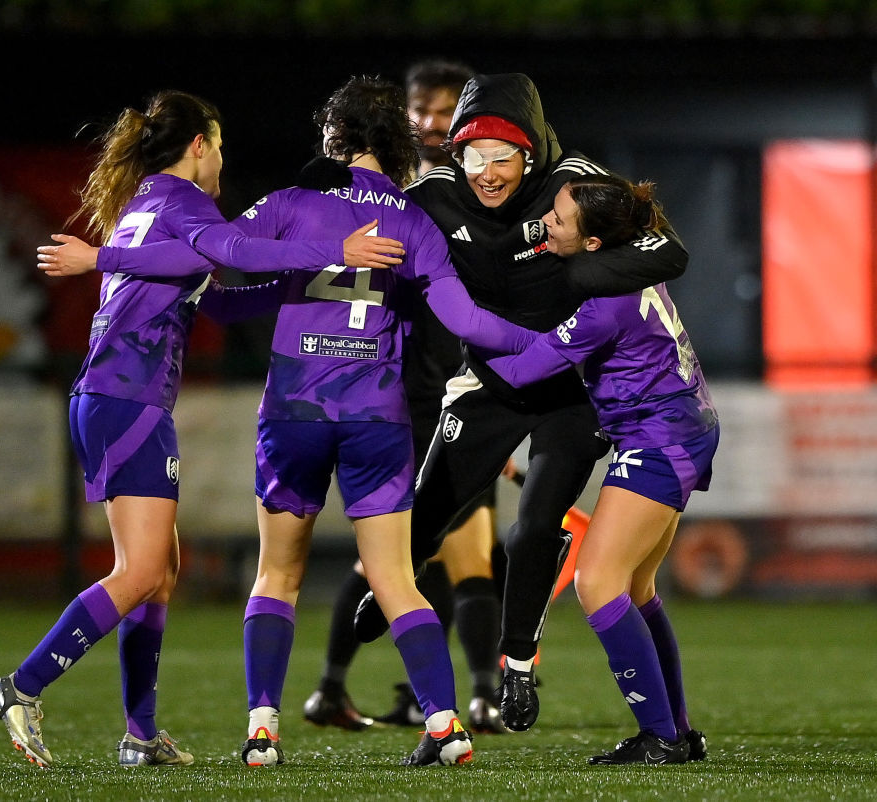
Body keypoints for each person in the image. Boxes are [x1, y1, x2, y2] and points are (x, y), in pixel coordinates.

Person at [0, 89, 404, 769]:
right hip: (129, 400)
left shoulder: (143, 209)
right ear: (200, 145)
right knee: (141, 570)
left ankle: (141, 734)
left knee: (160, 572)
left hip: (111, 397)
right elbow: (234, 247)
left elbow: (215, 294)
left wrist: (303, 280)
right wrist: (337, 245)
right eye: (221, 145)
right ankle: (22, 686)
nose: (222, 160)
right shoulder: (184, 205)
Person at [352, 73, 690, 736]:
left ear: (532, 154)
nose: (485, 171)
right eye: (472, 154)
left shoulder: (575, 181)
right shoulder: (434, 194)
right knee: (424, 519)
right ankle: (385, 588)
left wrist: (587, 279)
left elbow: (666, 248)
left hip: (573, 388)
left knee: (535, 528)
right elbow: (352, 236)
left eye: (501, 154)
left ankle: (518, 662)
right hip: (492, 381)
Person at [302, 58, 512, 736]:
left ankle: (430, 693)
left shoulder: (462, 190)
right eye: (417, 109)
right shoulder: (400, 198)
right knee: (411, 556)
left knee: (446, 555)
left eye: (441, 111)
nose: (427, 121)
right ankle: (463, 697)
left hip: (447, 390)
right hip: (408, 393)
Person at [486, 173, 717, 764]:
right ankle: (677, 732)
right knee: (636, 587)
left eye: (559, 220)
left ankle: (661, 736)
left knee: (596, 584)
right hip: (682, 428)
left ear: (593, 245)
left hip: (659, 438)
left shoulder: (602, 305)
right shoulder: (629, 266)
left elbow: (522, 369)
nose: (547, 225)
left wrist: (459, 324)